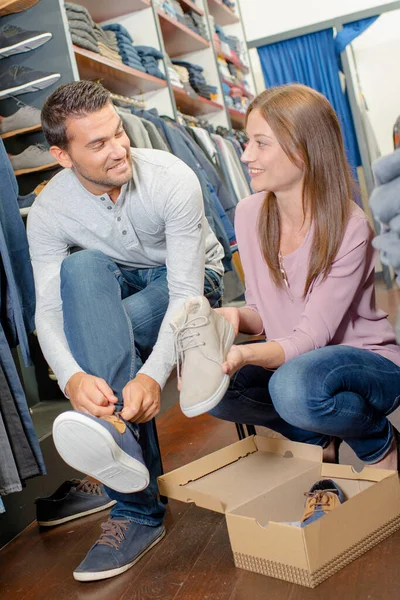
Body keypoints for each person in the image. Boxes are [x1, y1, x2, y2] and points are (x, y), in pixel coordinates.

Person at [27, 80, 225, 581]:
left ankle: (132, 499)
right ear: (61, 154)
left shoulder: (170, 177)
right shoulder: (49, 210)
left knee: (110, 335)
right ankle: (123, 453)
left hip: (191, 280)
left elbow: (185, 294)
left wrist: (153, 377)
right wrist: (70, 378)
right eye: (98, 143)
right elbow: (47, 310)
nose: (120, 149)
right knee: (80, 271)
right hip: (119, 279)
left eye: (119, 133)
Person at [212, 83, 400, 472]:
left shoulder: (349, 225)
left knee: (293, 386)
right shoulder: (248, 214)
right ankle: (318, 441)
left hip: (369, 365)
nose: (246, 156)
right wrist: (232, 318)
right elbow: (264, 311)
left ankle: (380, 443)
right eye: (247, 142)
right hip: (300, 366)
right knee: (217, 390)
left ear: (302, 148)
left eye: (260, 144)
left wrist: (245, 353)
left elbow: (311, 337)